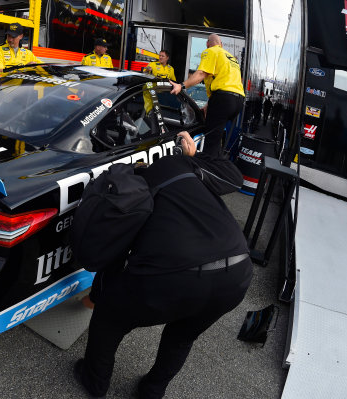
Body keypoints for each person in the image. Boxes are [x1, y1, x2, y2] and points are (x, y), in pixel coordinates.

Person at [73, 131, 253, 399]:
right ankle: (152, 391)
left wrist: (99, 296)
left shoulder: (129, 193)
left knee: (109, 319)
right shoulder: (181, 166)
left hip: (178, 275)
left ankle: (95, 382)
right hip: (238, 272)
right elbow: (234, 178)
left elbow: (115, 258)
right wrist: (195, 156)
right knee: (182, 336)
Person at [170, 34, 245, 157]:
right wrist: (208, 105)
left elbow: (201, 74)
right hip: (237, 101)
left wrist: (181, 86)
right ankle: (216, 162)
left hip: (223, 100)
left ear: (207, 44)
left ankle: (206, 170)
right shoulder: (230, 57)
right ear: (221, 45)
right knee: (217, 138)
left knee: (210, 141)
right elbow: (224, 83)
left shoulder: (210, 51)